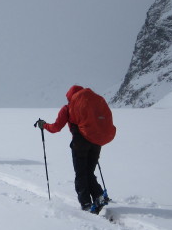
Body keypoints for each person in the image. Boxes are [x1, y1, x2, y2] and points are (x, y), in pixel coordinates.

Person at [35, 85, 114, 214]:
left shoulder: (68, 108)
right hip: (96, 142)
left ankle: (86, 204)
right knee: (89, 172)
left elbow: (56, 127)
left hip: (80, 144)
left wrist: (44, 125)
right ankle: (98, 195)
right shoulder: (92, 107)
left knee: (81, 173)